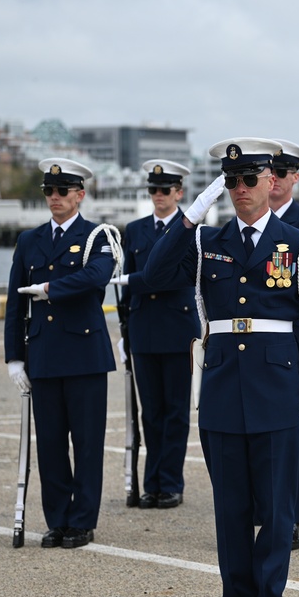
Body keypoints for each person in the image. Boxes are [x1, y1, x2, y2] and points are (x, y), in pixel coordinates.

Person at [142, 138, 299, 597]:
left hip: (279, 394)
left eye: (247, 181)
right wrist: (190, 217)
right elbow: (155, 275)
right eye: (229, 183)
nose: (239, 191)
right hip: (222, 394)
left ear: (271, 182)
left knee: (277, 515)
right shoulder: (207, 243)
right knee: (231, 514)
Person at [3, 158, 118, 549]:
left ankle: (82, 521)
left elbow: (97, 276)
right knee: (50, 444)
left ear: (80, 195)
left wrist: (51, 289)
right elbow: (14, 303)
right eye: (49, 191)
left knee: (87, 444)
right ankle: (58, 520)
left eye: (63, 191)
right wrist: (14, 357)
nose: (55, 197)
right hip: (45, 353)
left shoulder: (98, 235)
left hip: (85, 353)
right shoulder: (29, 241)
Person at [111, 159, 200, 510]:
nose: (158, 195)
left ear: (179, 193)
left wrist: (136, 280)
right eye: (153, 190)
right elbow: (125, 285)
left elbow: (178, 277)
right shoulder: (134, 230)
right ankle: (151, 483)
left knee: (176, 412)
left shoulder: (190, 230)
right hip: (144, 329)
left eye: (165, 190)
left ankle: (171, 483)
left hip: (178, 331)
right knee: (150, 413)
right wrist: (124, 331)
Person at [268, 139, 299, 550]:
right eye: (269, 173)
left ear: (292, 178)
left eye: (282, 173)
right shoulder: (248, 224)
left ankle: (295, 514)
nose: (274, 181)